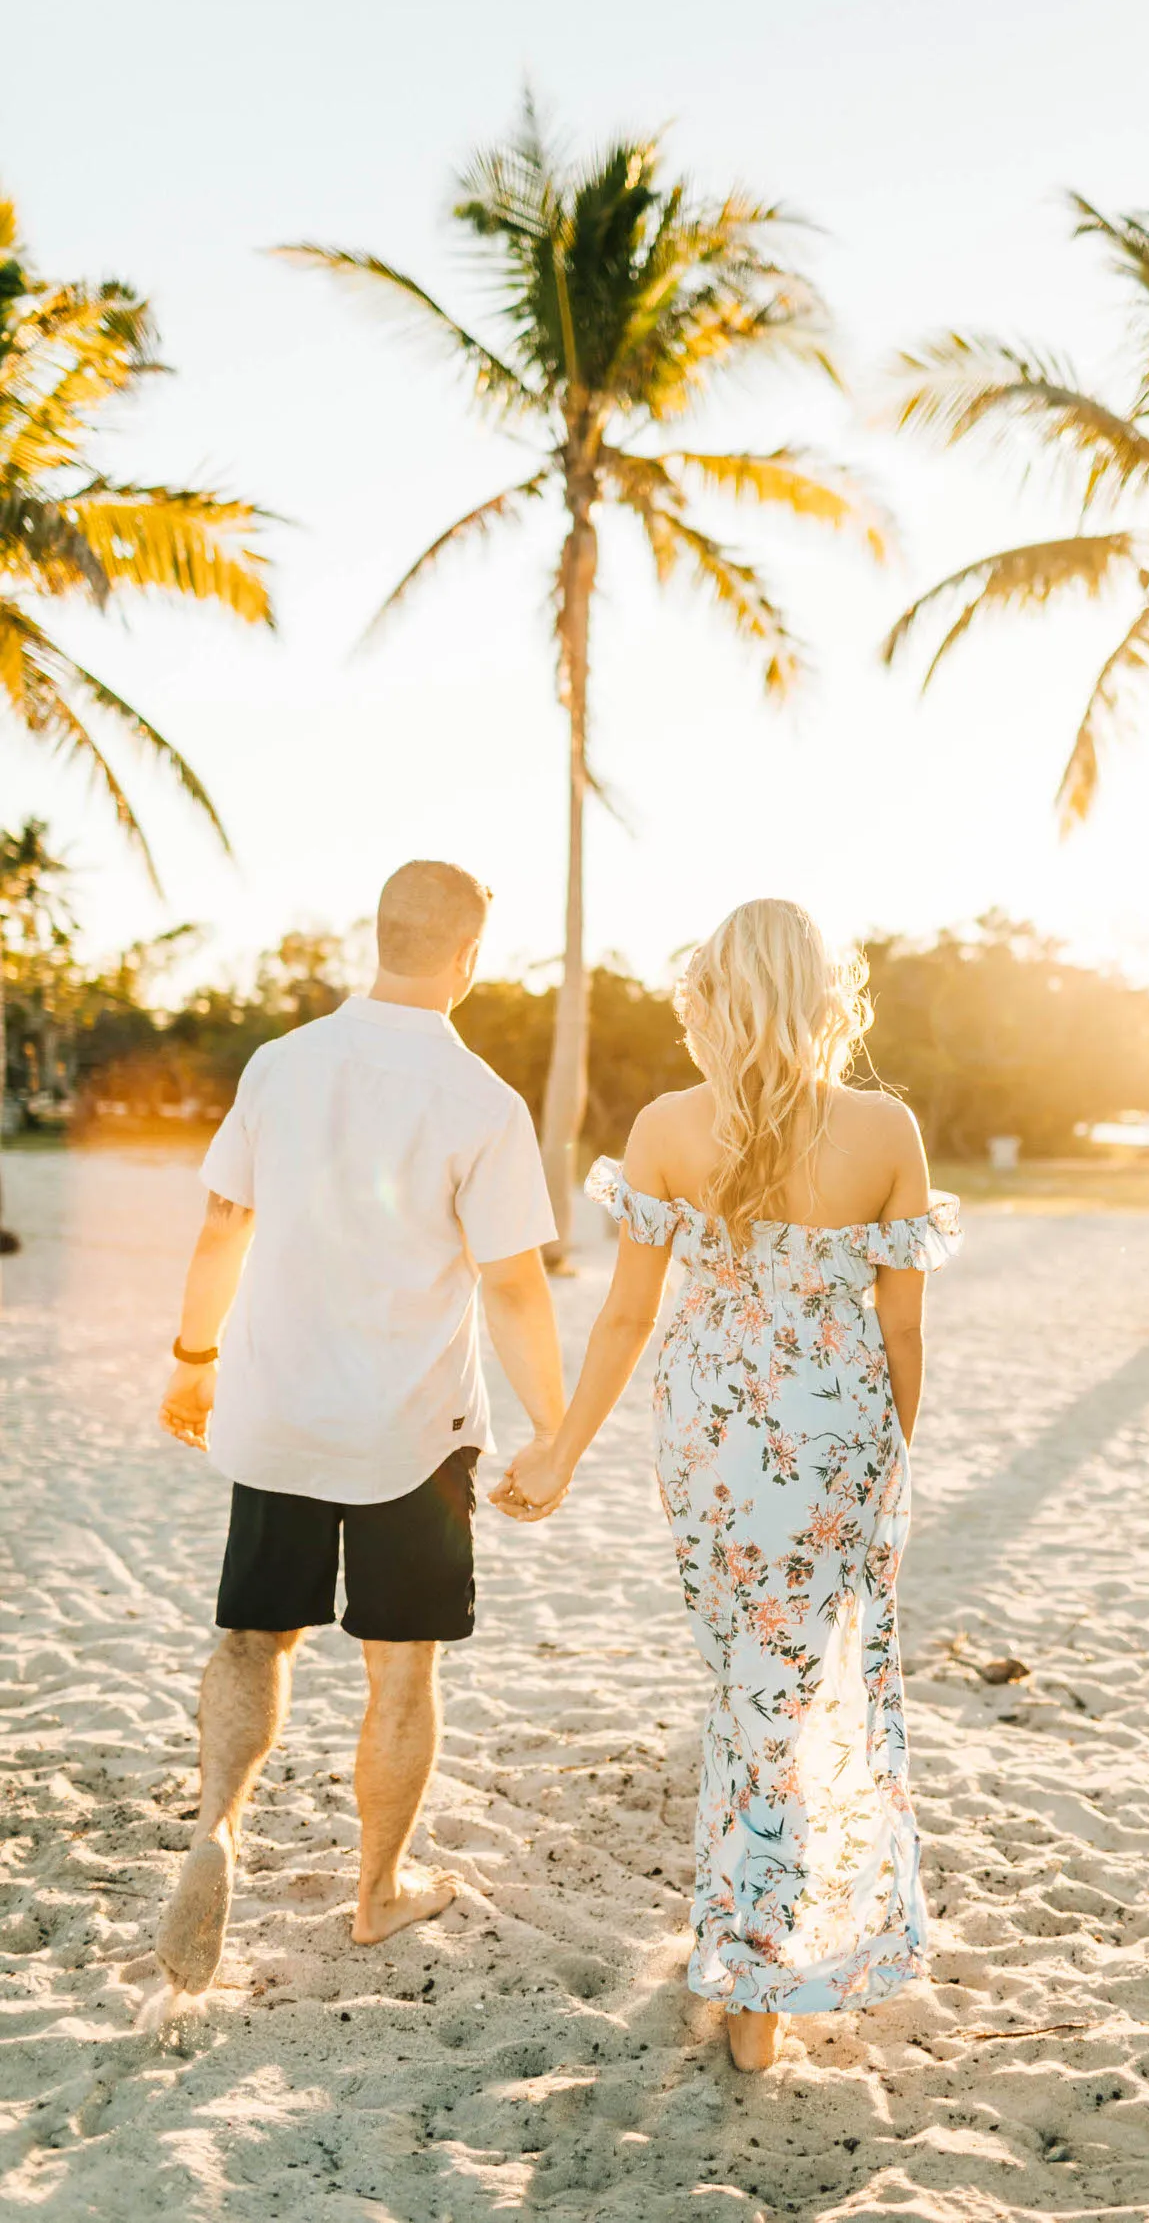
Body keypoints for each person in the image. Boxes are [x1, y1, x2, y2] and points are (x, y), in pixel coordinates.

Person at [494, 899, 960, 2072]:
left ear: (715, 996)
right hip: (840, 1442)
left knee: (745, 1689)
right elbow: (902, 1334)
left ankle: (751, 1972)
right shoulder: (884, 1128)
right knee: (800, 1690)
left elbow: (626, 1318)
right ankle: (761, 1964)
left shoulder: (664, 1126)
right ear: (823, 997)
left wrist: (559, 1450)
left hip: (710, 1443)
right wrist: (886, 1471)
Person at [154, 860, 564, 2010]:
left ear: (376, 937)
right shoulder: (481, 1099)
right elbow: (516, 1286)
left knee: (251, 1642)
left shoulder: (281, 1066)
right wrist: (553, 1429)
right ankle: (378, 1891)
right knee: (401, 1671)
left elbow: (223, 1222)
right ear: (469, 959)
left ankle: (219, 1829)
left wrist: (193, 1361)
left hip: (277, 1408)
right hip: (413, 1434)